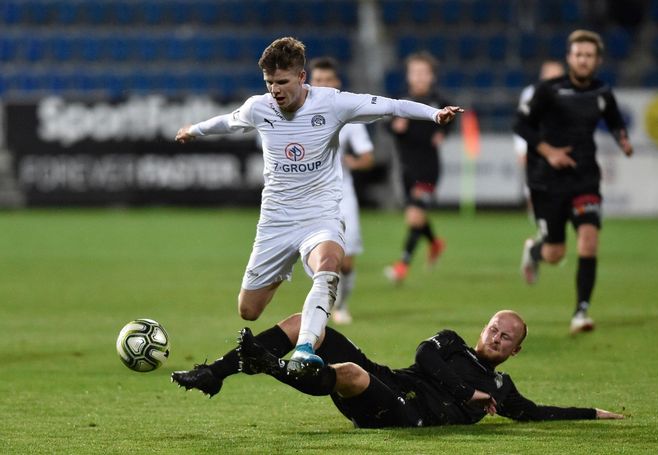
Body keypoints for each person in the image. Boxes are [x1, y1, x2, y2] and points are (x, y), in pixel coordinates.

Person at [175, 37, 463, 372]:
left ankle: (305, 348)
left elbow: (393, 106)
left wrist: (434, 114)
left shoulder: (332, 103)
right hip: (276, 220)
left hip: (319, 214)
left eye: (281, 82)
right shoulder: (259, 107)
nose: (275, 91)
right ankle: (287, 272)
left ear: (301, 76)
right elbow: (227, 121)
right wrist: (193, 130)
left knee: (329, 266)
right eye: (269, 83)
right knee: (248, 310)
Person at [171, 310, 624, 428]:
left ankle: (268, 365)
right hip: (393, 381)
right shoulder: (449, 343)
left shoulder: (502, 389)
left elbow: (536, 413)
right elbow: (424, 357)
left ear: (515, 351)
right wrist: (467, 394)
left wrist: (592, 414)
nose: (495, 337)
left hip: (409, 415)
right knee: (307, 326)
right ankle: (216, 372)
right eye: (493, 328)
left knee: (348, 372)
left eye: (506, 338)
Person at [513, 30, 633, 335]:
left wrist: (623, 139)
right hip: (546, 180)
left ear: (597, 60)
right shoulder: (549, 90)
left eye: (589, 55)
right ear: (570, 58)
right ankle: (535, 251)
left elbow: (616, 119)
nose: (583, 60)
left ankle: (581, 312)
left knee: (589, 240)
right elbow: (521, 125)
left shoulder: (602, 92)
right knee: (555, 254)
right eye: (578, 54)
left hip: (584, 178)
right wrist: (549, 151)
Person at [309, 56, 375, 325]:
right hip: (309, 196)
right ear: (309, 82)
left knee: (346, 262)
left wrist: (352, 161)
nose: (323, 85)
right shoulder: (295, 113)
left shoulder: (349, 116)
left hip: (342, 194)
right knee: (321, 259)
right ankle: (321, 308)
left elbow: (368, 157)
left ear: (336, 83)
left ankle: (342, 305)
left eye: (328, 80)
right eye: (318, 80)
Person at [384, 52, 454, 284]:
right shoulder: (400, 100)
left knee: (414, 218)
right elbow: (385, 124)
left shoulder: (439, 101)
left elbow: (452, 121)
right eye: (415, 72)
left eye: (424, 73)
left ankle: (402, 266)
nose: (419, 77)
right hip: (406, 168)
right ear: (408, 75)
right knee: (417, 216)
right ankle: (435, 243)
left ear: (432, 76)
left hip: (428, 168)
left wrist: (443, 132)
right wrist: (396, 127)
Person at [513, 60, 566, 219]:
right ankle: (538, 225)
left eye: (558, 75)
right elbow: (521, 123)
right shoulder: (531, 93)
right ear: (543, 76)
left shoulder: (568, 94)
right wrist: (521, 149)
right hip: (536, 148)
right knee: (535, 190)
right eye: (551, 74)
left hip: (560, 149)